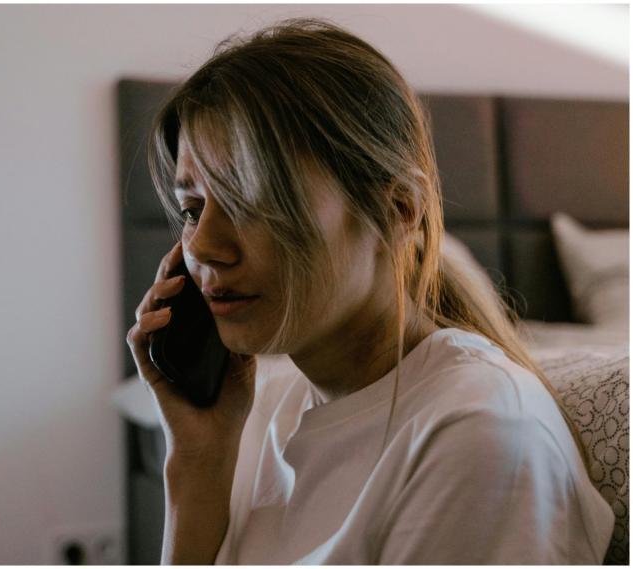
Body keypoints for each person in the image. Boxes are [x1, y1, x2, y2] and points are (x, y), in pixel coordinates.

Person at [126, 18, 615, 565]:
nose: (206, 246)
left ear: (399, 210)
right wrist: (197, 460)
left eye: (250, 197)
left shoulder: (481, 434)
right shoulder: (262, 410)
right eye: (192, 210)